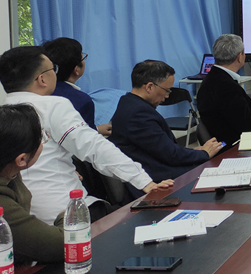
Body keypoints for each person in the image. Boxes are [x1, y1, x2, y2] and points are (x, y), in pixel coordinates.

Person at [0, 46, 172, 224]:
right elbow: (95, 147)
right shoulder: (52, 106)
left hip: (20, 218)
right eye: (53, 69)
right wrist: (144, 182)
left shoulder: (5, 113)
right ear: (42, 79)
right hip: (67, 213)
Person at [111, 60, 222, 195]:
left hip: (157, 168)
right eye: (167, 90)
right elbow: (171, 155)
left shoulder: (128, 102)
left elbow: (161, 148)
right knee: (215, 175)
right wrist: (204, 153)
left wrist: (194, 151)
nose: (167, 96)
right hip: (156, 179)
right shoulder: (139, 114)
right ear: (150, 87)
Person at [0, 103, 64, 263]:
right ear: (21, 159)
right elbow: (60, 245)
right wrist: (68, 215)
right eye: (41, 138)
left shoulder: (8, 170)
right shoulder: (3, 206)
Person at [196, 34, 251, 145]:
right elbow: (247, 126)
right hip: (238, 145)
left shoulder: (211, 79)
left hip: (228, 141)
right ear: (239, 57)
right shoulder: (227, 87)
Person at [42, 37, 110, 136]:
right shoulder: (82, 101)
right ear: (76, 70)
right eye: (83, 58)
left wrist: (96, 129)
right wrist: (93, 130)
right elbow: (85, 139)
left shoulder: (37, 92)